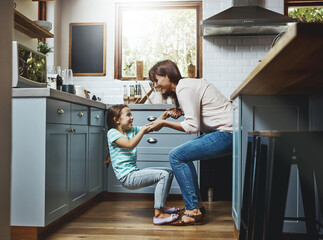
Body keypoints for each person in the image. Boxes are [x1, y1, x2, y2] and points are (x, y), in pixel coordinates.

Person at [147, 60, 233, 226]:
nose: (156, 85)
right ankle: (197, 206)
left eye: (156, 80)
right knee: (182, 156)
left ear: (167, 75)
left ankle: (193, 210)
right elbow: (202, 113)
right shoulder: (185, 86)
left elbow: (193, 127)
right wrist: (181, 112)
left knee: (177, 156)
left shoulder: (183, 87)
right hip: (226, 132)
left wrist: (163, 123)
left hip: (227, 133)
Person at [106, 104, 180, 225]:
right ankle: (158, 215)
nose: (132, 117)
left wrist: (165, 115)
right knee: (163, 175)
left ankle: (162, 205)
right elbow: (130, 144)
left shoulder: (131, 131)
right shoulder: (112, 133)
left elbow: (153, 126)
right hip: (127, 177)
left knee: (168, 172)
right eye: (128, 115)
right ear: (117, 120)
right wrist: (142, 131)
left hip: (134, 173)